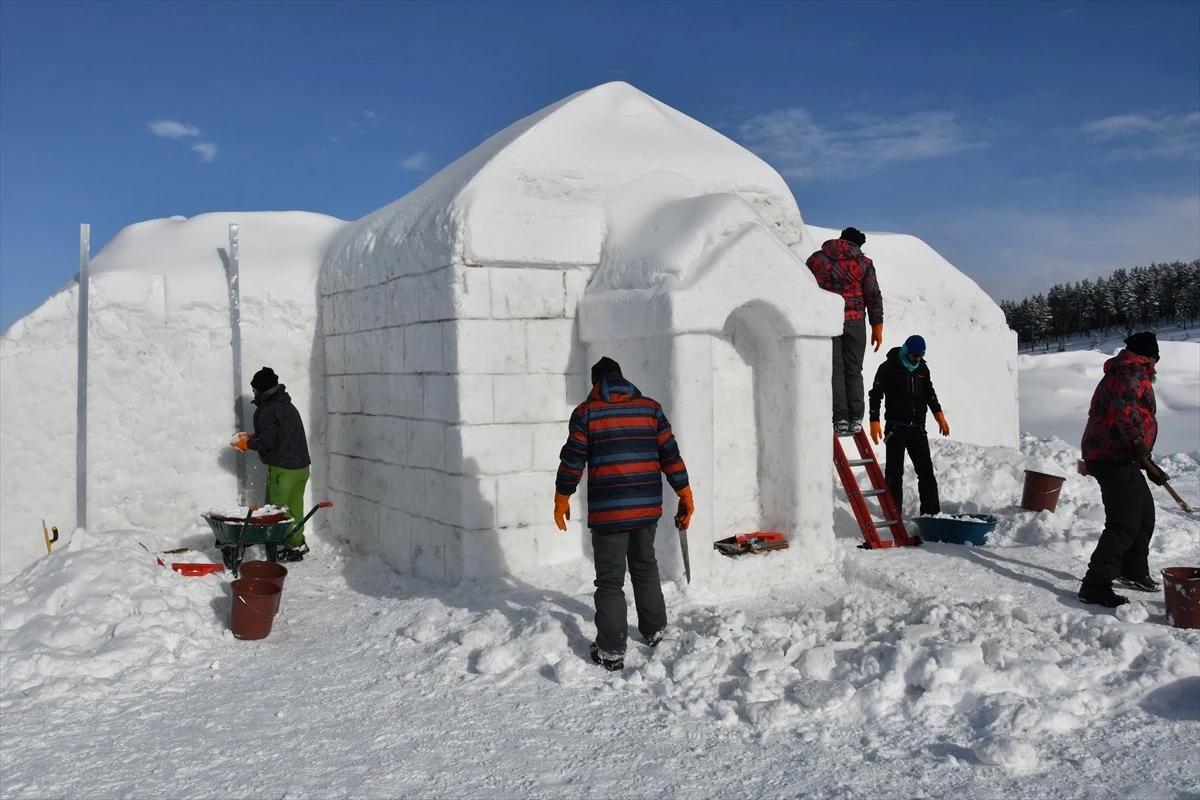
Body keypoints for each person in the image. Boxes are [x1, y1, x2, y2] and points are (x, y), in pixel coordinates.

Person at [554, 356, 693, 672]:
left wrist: (562, 497)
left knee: (610, 581)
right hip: (646, 509)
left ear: (595, 384)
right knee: (645, 566)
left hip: (608, 514)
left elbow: (573, 460)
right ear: (622, 379)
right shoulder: (650, 408)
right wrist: (684, 492)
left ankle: (611, 650)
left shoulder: (586, 413)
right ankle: (655, 630)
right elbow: (669, 454)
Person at [1078, 331, 1164, 608]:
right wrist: (1138, 444)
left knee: (1143, 512)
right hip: (1111, 453)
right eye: (1155, 359)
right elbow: (1125, 408)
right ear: (1149, 356)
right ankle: (1095, 585)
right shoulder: (1131, 370)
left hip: (1121, 452)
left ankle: (1133, 570)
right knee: (1124, 521)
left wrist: (1143, 458)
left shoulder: (1129, 369)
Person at [806, 226, 884, 435]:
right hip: (855, 320)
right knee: (853, 369)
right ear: (857, 244)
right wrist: (877, 326)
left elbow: (805, 287)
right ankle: (856, 417)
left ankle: (840, 418)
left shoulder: (817, 260)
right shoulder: (864, 263)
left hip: (828, 319)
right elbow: (873, 295)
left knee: (835, 370)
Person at [232, 367, 312, 562]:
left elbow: (268, 442)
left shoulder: (267, 409)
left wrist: (246, 443)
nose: (253, 393)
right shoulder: (284, 403)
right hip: (301, 467)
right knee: (294, 509)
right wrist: (254, 437)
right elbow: (278, 433)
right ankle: (296, 544)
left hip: (283, 470)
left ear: (262, 389)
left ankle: (274, 551)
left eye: (254, 389)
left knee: (275, 512)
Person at [867, 335, 950, 517]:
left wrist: (939, 415)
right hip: (896, 428)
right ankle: (892, 513)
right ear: (905, 350)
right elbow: (875, 395)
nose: (916, 359)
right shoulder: (888, 367)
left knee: (926, 472)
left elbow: (929, 392)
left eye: (919, 356)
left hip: (917, 428)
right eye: (914, 356)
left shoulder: (922, 368)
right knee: (894, 474)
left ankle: (931, 514)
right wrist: (874, 420)